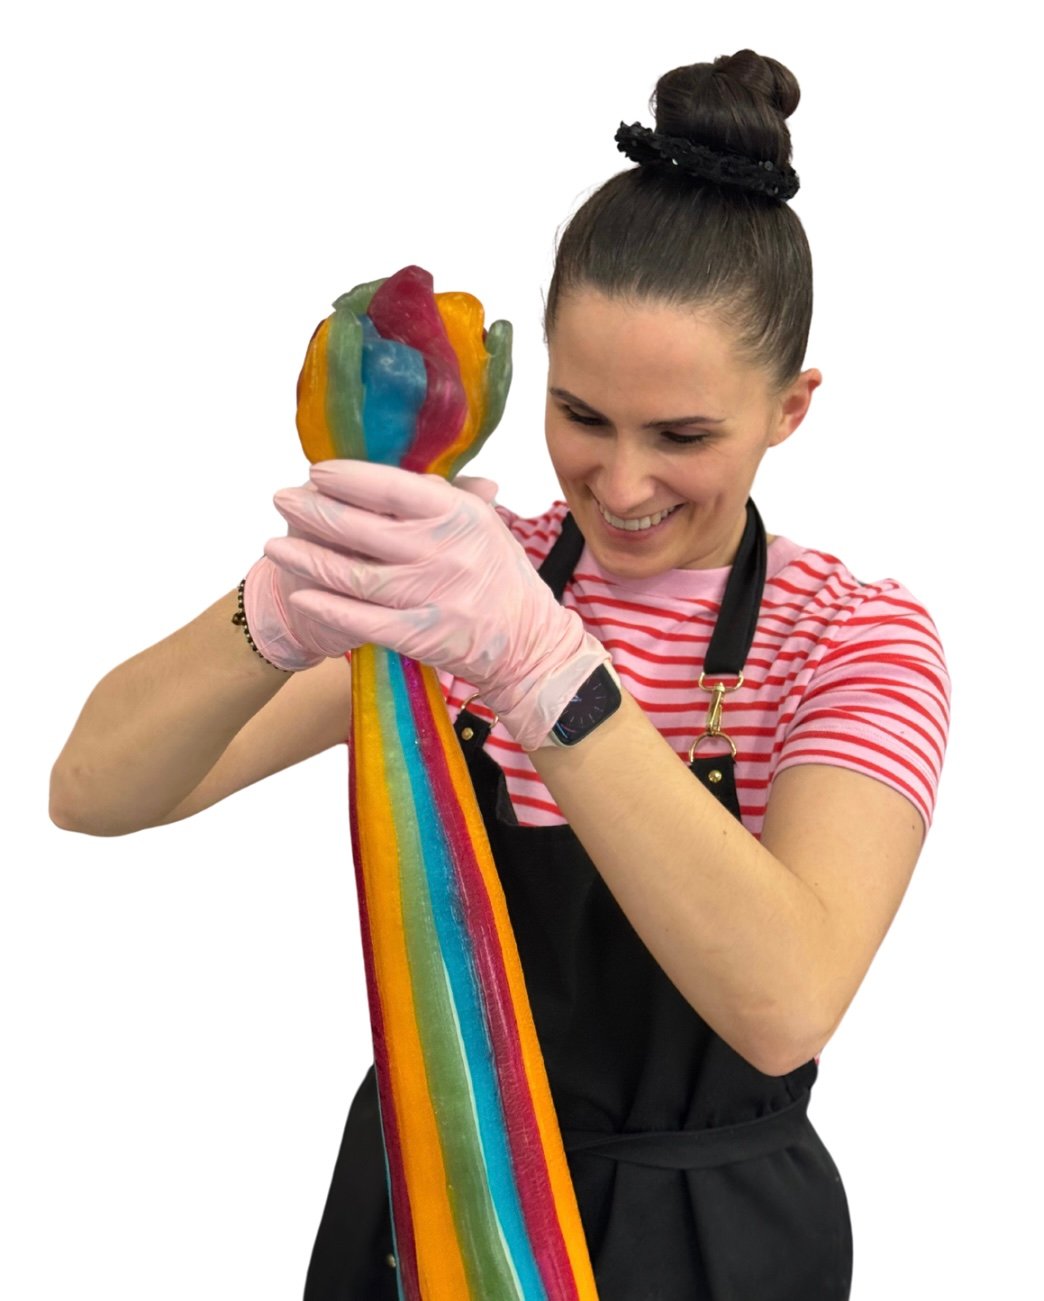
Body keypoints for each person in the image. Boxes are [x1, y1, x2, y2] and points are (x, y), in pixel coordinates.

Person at [49, 49, 950, 1301]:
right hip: (427, 1205)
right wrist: (277, 608)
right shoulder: (461, 580)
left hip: (708, 1244)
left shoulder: (852, 637)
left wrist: (545, 667)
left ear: (789, 408)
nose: (621, 483)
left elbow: (785, 1000)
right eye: (582, 416)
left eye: (683, 434)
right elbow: (92, 788)